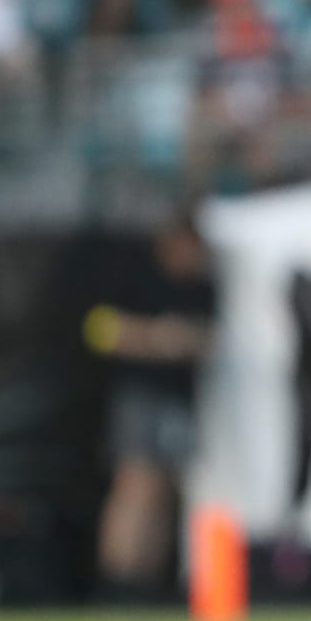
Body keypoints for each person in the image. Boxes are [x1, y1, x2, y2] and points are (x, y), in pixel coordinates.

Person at [85, 212, 217, 599]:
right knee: (135, 486)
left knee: (164, 493)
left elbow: (211, 336)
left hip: (179, 399)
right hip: (141, 396)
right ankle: (115, 584)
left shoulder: (201, 286)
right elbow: (100, 329)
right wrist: (154, 338)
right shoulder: (137, 278)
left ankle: (145, 585)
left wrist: (187, 340)